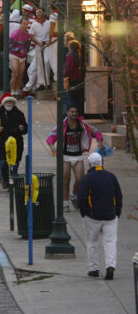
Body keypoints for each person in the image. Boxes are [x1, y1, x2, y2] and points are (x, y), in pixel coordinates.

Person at [46, 106, 104, 212]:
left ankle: (73, 195)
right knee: (65, 180)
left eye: (76, 112)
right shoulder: (62, 125)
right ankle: (65, 203)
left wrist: (100, 142)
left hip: (77, 156)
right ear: (67, 113)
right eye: (71, 111)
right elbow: (51, 136)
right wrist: (52, 146)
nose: (74, 113)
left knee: (80, 179)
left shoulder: (83, 124)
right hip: (65, 156)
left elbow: (96, 131)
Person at [77, 152, 121, 280]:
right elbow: (118, 196)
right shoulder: (111, 177)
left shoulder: (87, 179)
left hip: (92, 216)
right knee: (110, 241)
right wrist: (116, 212)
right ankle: (110, 266)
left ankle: (94, 268)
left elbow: (81, 199)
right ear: (101, 163)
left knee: (92, 242)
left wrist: (84, 213)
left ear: (89, 164)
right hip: (110, 215)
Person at [0, 94, 29, 189]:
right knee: (3, 163)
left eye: (11, 102)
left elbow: (25, 129)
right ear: (4, 104)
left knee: (15, 164)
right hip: (2, 143)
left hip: (16, 143)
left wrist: (22, 128)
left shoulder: (19, 114)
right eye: (7, 102)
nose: (9, 103)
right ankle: (5, 178)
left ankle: (11, 183)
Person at [64, 40, 85, 113]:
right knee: (77, 99)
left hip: (73, 79)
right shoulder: (79, 55)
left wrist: (64, 75)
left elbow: (69, 68)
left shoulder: (70, 56)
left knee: (71, 99)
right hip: (79, 79)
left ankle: (70, 113)